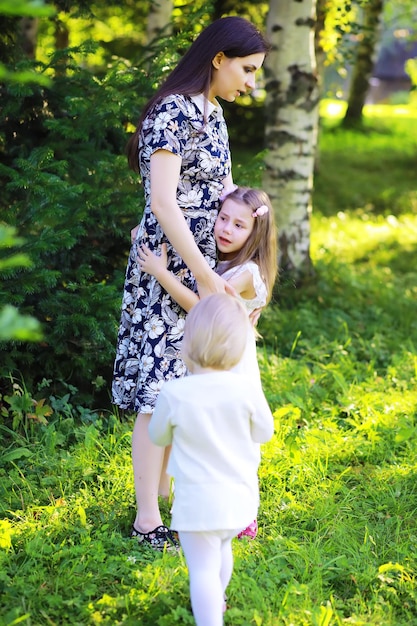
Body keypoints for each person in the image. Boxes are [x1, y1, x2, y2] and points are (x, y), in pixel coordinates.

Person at [111, 16, 270, 550]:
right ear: (219, 59)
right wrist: (204, 277)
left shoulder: (216, 116)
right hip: (170, 267)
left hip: (206, 270)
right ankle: (146, 522)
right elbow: (162, 201)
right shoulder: (171, 112)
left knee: (183, 385)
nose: (251, 81)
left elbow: (226, 191)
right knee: (157, 394)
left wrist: (242, 257)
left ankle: (165, 495)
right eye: (247, 69)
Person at [138, 185, 277, 540]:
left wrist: (161, 272)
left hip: (232, 366)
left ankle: (244, 513)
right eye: (223, 218)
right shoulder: (227, 261)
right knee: (206, 435)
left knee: (234, 441)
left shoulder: (247, 273)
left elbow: (201, 304)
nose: (225, 229)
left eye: (238, 225)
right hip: (217, 359)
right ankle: (173, 493)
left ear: (255, 232)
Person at [148, 293, 274, 625]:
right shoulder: (246, 390)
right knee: (222, 549)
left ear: (187, 344)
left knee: (202, 568)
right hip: (238, 499)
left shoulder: (174, 394)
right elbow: (264, 432)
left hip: (196, 503)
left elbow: (158, 437)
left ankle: (210, 617)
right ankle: (216, 601)